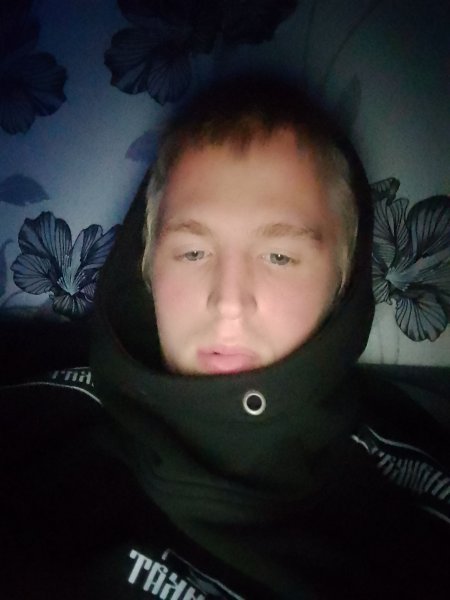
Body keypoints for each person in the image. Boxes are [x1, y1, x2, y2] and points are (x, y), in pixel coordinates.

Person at [1, 76, 449, 600]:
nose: (229, 301)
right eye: (193, 253)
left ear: (342, 284)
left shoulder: (415, 508)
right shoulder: (34, 424)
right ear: (147, 268)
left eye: (279, 256)